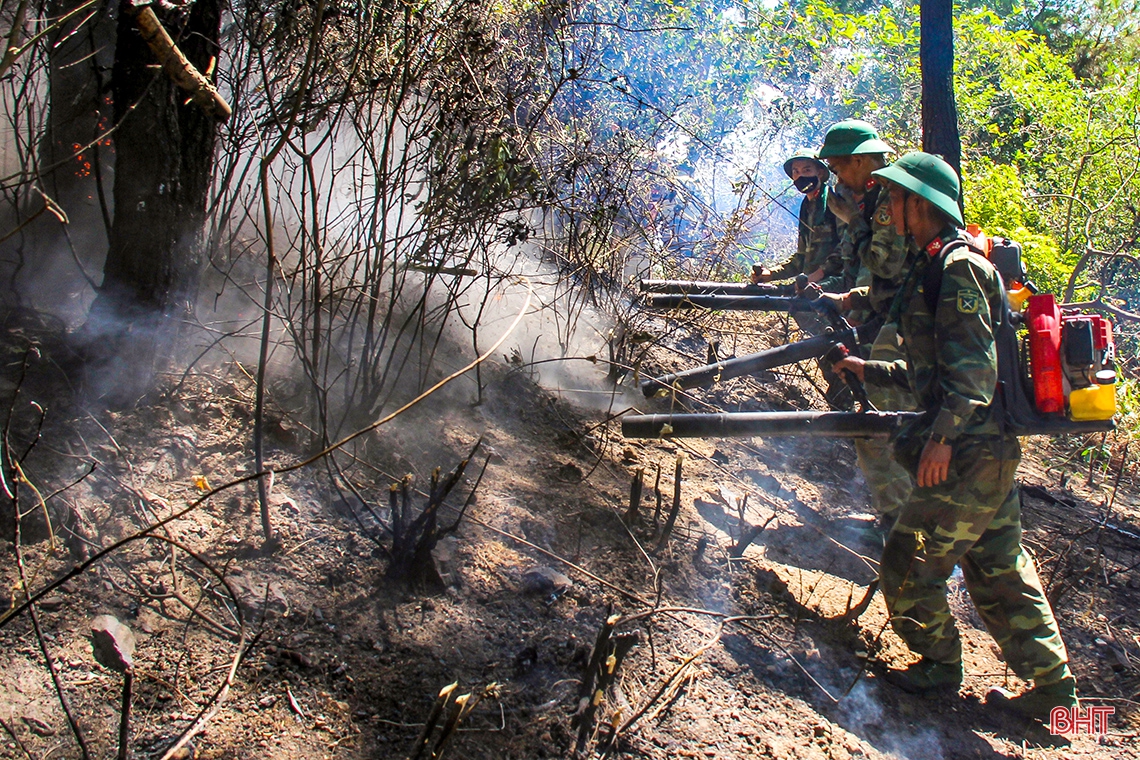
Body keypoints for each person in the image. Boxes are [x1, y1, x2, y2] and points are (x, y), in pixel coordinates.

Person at [834, 152, 1077, 719]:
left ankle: (939, 666)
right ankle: (1056, 698)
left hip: (968, 452)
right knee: (999, 571)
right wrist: (868, 371)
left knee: (908, 560)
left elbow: (972, 376)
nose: (887, 206)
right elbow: (933, 376)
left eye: (896, 197)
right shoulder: (931, 264)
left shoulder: (960, 267)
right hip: (981, 451)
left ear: (922, 203)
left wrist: (941, 441)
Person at [815, 119, 915, 520]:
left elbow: (885, 265)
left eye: (839, 168)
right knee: (877, 426)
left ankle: (904, 529)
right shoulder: (873, 197)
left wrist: (853, 223)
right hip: (883, 318)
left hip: (902, 327)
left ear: (859, 162)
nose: (837, 176)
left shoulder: (888, 199)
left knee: (879, 426)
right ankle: (898, 520)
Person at [752, 148, 841, 286]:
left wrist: (817, 275)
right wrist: (770, 274)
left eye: (807, 170)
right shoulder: (806, 207)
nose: (801, 176)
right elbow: (802, 257)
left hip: (835, 286)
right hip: (810, 287)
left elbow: (847, 248)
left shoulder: (833, 201)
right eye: (796, 172)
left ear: (820, 172)